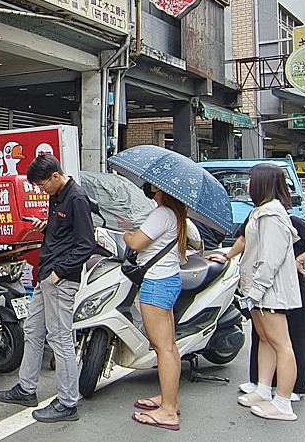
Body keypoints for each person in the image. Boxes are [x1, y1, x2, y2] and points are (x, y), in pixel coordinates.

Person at [0, 154, 96, 425]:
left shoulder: (76, 197)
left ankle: (67, 402)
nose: (42, 190)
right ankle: (26, 388)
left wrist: (59, 273)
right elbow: (65, 232)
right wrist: (46, 225)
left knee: (61, 339)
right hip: (47, 275)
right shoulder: (59, 195)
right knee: (32, 330)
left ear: (55, 176)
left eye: (43, 185)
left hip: (60, 278)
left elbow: (86, 243)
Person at [211, 211, 305, 402]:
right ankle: (261, 382)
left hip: (291, 285)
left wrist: (299, 259)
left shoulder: (289, 220)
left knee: (295, 335)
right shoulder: (254, 216)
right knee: (262, 334)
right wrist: (227, 257)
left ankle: (295, 387)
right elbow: (243, 240)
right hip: (263, 283)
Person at [232, 164, 301, 421]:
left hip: (269, 290)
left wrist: (257, 289)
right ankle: (263, 389)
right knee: (264, 338)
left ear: (263, 182)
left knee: (281, 344)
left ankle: (283, 402)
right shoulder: (262, 210)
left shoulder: (271, 213)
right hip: (258, 289)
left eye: (251, 179)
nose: (248, 184)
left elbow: (270, 257)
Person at [121, 183, 187, 432]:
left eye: (155, 187)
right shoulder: (177, 214)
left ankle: (168, 412)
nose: (151, 189)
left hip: (156, 284)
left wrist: (127, 233)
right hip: (169, 280)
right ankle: (169, 399)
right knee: (169, 345)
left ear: (164, 190)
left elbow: (137, 243)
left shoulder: (162, 213)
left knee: (163, 348)